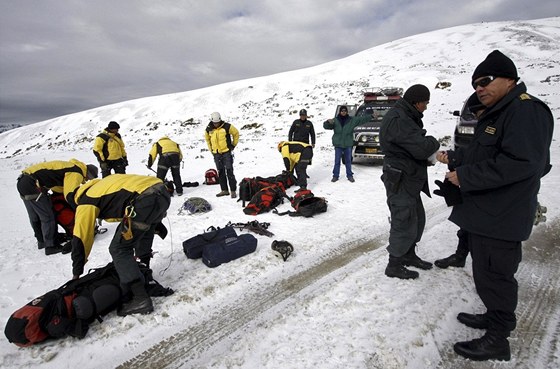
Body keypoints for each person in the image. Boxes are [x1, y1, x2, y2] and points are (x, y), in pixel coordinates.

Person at [437, 50, 553, 361]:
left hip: (502, 215)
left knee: (497, 276)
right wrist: (458, 160)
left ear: (509, 79)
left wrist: (466, 176)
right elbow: (488, 155)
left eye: (485, 81)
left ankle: (498, 338)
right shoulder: (500, 112)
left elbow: (524, 163)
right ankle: (493, 315)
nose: (479, 88)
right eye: (475, 84)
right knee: (486, 274)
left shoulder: (526, 111)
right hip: (486, 214)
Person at [70, 174, 171, 316]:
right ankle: (145, 278)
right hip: (161, 191)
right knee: (143, 232)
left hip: (145, 199)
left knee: (119, 249)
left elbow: (81, 237)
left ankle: (140, 298)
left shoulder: (85, 200)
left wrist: (76, 272)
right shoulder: (103, 186)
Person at [379, 84, 440, 280]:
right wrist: (434, 141)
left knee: (416, 218)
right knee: (403, 219)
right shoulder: (399, 119)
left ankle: (408, 254)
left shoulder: (405, 116)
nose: (426, 107)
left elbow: (411, 147)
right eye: (425, 103)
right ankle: (394, 264)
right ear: (416, 102)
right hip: (400, 177)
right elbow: (421, 147)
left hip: (408, 177)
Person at [434, 93, 485, 269]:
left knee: (488, 233)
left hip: (496, 190)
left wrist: (466, 176)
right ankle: (460, 256)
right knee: (468, 219)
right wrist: (454, 159)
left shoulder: (510, 123)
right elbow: (474, 153)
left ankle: (486, 268)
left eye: (479, 113)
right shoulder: (482, 128)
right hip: (474, 180)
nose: (476, 118)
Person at [17, 159, 98, 255]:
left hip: (23, 182)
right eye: (89, 178)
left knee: (35, 216)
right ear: (88, 173)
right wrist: (79, 210)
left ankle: (42, 241)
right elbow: (69, 195)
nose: (86, 181)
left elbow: (58, 188)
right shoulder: (76, 172)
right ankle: (51, 246)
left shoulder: (69, 167)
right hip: (33, 184)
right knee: (48, 217)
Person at [323, 106, 370, 182]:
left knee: (348, 161)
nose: (343, 112)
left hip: (348, 143)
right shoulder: (335, 120)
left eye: (345, 111)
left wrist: (371, 116)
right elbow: (326, 126)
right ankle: (335, 176)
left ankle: (349, 175)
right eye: (342, 111)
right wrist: (327, 122)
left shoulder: (352, 120)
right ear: (340, 112)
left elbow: (362, 119)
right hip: (338, 144)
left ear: (347, 112)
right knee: (337, 161)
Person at [204, 112, 239, 198]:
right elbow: (207, 140)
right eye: (215, 123)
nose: (216, 124)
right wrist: (211, 150)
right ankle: (224, 190)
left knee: (229, 170)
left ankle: (233, 190)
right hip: (216, 153)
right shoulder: (208, 129)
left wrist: (233, 145)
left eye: (217, 122)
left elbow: (236, 133)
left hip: (226, 152)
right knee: (220, 172)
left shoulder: (227, 126)